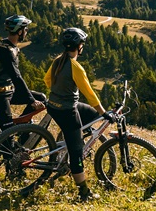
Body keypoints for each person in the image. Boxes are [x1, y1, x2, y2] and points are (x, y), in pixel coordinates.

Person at [45, 26, 109, 202]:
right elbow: (89, 93)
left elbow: (47, 80)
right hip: (66, 110)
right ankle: (83, 192)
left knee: (89, 115)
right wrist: (104, 113)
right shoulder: (76, 67)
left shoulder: (58, 60)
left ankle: (73, 137)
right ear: (79, 46)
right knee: (76, 151)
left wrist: (60, 91)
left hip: (53, 105)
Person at [0, 14, 46, 132]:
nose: (26, 32)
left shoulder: (7, 45)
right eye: (26, 29)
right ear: (19, 32)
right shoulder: (6, 51)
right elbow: (16, 77)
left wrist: (33, 99)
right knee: (8, 134)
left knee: (41, 98)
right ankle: (8, 142)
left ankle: (21, 129)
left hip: (7, 91)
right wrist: (32, 101)